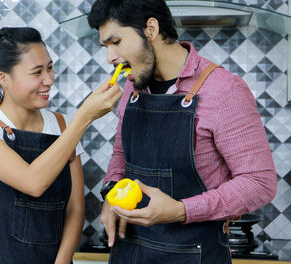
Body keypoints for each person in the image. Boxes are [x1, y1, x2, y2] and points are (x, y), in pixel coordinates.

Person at [88, 1, 277, 263]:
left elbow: (260, 183)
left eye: (116, 41)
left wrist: (181, 210)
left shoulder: (224, 90)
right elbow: (121, 155)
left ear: (151, 29)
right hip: (129, 251)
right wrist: (111, 193)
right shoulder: (132, 90)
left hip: (196, 254)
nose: (110, 58)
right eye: (106, 46)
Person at [0, 27, 122, 264]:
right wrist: (84, 116)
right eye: (37, 72)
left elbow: (74, 207)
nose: (49, 80)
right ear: (3, 77)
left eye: (50, 68)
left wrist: (62, 262)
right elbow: (32, 183)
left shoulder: (61, 125)